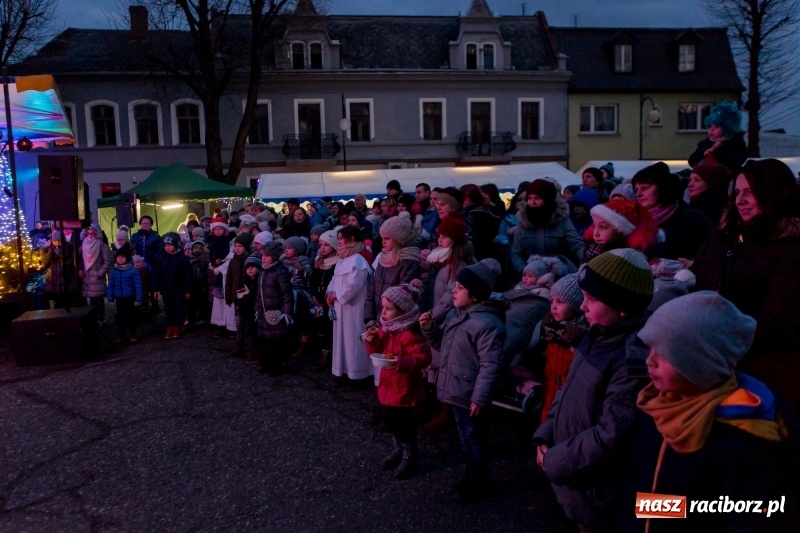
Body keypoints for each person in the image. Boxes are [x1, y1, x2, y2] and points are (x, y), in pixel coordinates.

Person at [620, 291, 797, 532]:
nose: (649, 361)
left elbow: (754, 517)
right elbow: (641, 490)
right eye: (651, 348)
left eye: (665, 353)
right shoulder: (657, 405)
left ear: (701, 362)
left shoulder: (743, 440)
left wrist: (671, 510)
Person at [533, 248, 653, 532]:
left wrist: (555, 461)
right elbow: (567, 389)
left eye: (591, 299)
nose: (582, 307)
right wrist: (546, 433)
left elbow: (613, 436)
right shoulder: (597, 333)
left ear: (622, 306)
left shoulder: (630, 358)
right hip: (575, 473)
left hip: (597, 490)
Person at [690, 158, 800, 409]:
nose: (740, 201)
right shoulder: (731, 234)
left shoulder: (790, 246)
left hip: (758, 366)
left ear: (774, 193)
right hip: (712, 352)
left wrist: (719, 341)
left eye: (750, 192)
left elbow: (776, 319)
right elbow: (698, 278)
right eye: (737, 192)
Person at [420, 258, 506, 502]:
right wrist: (429, 329)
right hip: (457, 390)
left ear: (476, 295)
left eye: (459, 288)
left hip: (470, 395)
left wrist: (480, 398)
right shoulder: (456, 316)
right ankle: (471, 475)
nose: (454, 292)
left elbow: (491, 365)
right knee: (465, 437)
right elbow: (441, 345)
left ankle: (477, 481)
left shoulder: (487, 324)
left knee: (474, 438)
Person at [364, 280, 431, 479]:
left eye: (388, 309)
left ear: (402, 312)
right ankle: (398, 450)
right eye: (382, 308)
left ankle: (410, 456)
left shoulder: (411, 335)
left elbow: (423, 358)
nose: (383, 313)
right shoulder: (387, 329)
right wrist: (372, 341)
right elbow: (376, 351)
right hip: (388, 385)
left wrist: (401, 362)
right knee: (392, 421)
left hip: (405, 388)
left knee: (404, 424)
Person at [421, 215, 475, 431]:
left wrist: (433, 316)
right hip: (439, 316)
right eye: (439, 235)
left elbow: (449, 296)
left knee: (444, 365)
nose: (440, 239)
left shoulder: (456, 264)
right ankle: (436, 406)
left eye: (445, 236)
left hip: (447, 319)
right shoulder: (442, 260)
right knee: (435, 365)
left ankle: (446, 412)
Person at [632, 162, 713, 260]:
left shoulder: (692, 219)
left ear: (662, 187)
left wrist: (690, 265)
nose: (638, 194)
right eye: (636, 190)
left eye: (645, 188)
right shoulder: (635, 221)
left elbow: (715, 250)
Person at [538, 273, 586, 423]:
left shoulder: (580, 331)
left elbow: (574, 334)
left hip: (567, 392)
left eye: (560, 302)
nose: (553, 306)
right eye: (552, 301)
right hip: (551, 386)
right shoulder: (551, 325)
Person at [328, 225, 372, 383]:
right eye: (338, 238)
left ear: (352, 239)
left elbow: (355, 284)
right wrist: (330, 293)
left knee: (354, 339)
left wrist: (338, 295)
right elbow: (334, 279)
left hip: (353, 306)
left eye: (341, 238)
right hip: (340, 306)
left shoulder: (358, 259)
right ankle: (343, 371)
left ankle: (357, 374)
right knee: (342, 339)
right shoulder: (342, 258)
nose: (339, 242)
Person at [512, 179, 584, 274]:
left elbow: (576, 245)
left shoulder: (561, 220)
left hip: (559, 275)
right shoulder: (523, 222)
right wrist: (525, 272)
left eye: (537, 198)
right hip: (529, 278)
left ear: (547, 199)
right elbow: (516, 253)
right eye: (529, 198)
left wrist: (587, 261)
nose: (532, 202)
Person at [365, 213, 421, 325]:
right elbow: (372, 290)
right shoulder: (383, 258)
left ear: (399, 239)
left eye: (387, 238)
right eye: (382, 238)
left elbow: (403, 299)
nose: (383, 242)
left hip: (396, 322)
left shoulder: (409, 262)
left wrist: (386, 318)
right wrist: (369, 318)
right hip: (378, 320)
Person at [254, 241, 294, 375]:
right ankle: (267, 362)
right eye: (263, 255)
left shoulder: (279, 272)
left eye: (267, 255)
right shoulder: (262, 271)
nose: (263, 258)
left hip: (277, 312)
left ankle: (279, 365)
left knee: (277, 341)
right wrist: (257, 308)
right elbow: (259, 293)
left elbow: (287, 294)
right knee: (266, 339)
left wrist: (287, 312)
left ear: (275, 257)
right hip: (263, 312)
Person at [583, 198, 659, 263]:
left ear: (621, 231)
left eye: (603, 227)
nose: (596, 233)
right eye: (594, 225)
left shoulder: (629, 257)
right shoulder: (592, 246)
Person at [688, 101, 748, 177]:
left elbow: (735, 163)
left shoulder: (737, 143)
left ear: (727, 128)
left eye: (716, 127)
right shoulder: (705, 143)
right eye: (710, 126)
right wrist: (703, 153)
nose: (711, 130)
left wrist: (718, 150)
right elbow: (691, 161)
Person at [309, 229, 340, 370]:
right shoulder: (319, 261)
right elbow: (313, 281)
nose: (323, 248)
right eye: (321, 245)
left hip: (329, 301)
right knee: (321, 327)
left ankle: (329, 355)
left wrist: (324, 296)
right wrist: (314, 294)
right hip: (319, 301)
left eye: (326, 245)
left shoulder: (338, 263)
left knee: (330, 328)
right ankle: (323, 352)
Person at [152, 232, 192, 339]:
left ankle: (177, 326)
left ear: (176, 245)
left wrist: (188, 290)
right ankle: (169, 327)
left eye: (170, 245)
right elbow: (156, 274)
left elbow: (187, 275)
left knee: (178, 307)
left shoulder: (183, 258)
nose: (167, 247)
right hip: (166, 289)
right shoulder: (161, 258)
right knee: (168, 308)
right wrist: (155, 288)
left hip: (179, 289)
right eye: (165, 245)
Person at [225, 233, 254, 356]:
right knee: (239, 323)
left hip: (250, 299)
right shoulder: (233, 261)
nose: (237, 248)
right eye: (236, 246)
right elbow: (229, 280)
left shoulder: (251, 260)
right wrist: (229, 296)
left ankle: (254, 348)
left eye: (240, 246)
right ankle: (239, 345)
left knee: (252, 323)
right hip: (238, 298)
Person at [107, 243, 143, 344]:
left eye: (122, 257)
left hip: (130, 297)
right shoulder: (114, 271)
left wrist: (138, 299)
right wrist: (110, 297)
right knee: (120, 317)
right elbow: (111, 285)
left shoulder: (133, 270)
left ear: (127, 257)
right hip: (119, 297)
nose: (120, 259)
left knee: (131, 316)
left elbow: (138, 285)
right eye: (118, 257)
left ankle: (133, 334)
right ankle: (121, 335)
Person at [79, 224, 113, 324]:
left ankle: (101, 318)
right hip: (88, 277)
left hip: (97, 277)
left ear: (96, 234)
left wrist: (100, 273)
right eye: (88, 233)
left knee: (99, 299)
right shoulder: (83, 245)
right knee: (92, 300)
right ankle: (94, 318)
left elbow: (107, 261)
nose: (90, 235)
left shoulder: (102, 245)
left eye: (92, 233)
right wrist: (81, 269)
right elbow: (82, 259)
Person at [186, 240, 210, 328]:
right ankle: (190, 318)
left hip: (201, 284)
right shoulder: (188, 260)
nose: (197, 250)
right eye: (195, 248)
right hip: (191, 284)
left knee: (202, 302)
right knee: (190, 303)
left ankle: (201, 318)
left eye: (200, 248)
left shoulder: (204, 259)